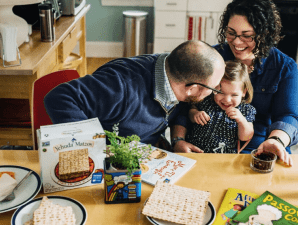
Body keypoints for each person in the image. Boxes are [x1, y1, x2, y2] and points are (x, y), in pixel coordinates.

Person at [172, 0, 298, 166]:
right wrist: (177, 140)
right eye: (231, 33)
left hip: (259, 147)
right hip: (202, 147)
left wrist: (276, 140)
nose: (236, 42)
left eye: (247, 36)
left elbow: (288, 115)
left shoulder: (284, 67)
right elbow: (184, 104)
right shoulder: (210, 57)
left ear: (265, 34)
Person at [44, 40, 225, 147]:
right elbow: (60, 97)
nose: (215, 93)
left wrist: (177, 139)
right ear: (192, 87)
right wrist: (93, 146)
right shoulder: (119, 86)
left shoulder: (175, 72)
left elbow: (183, 104)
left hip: (148, 155)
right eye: (214, 88)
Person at [186, 60, 256, 153]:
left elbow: (246, 137)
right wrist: (194, 114)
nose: (227, 100)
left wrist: (241, 120)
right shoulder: (207, 100)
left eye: (234, 95)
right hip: (195, 152)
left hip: (222, 157)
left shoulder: (246, 110)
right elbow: (191, 110)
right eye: (221, 93)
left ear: (244, 92)